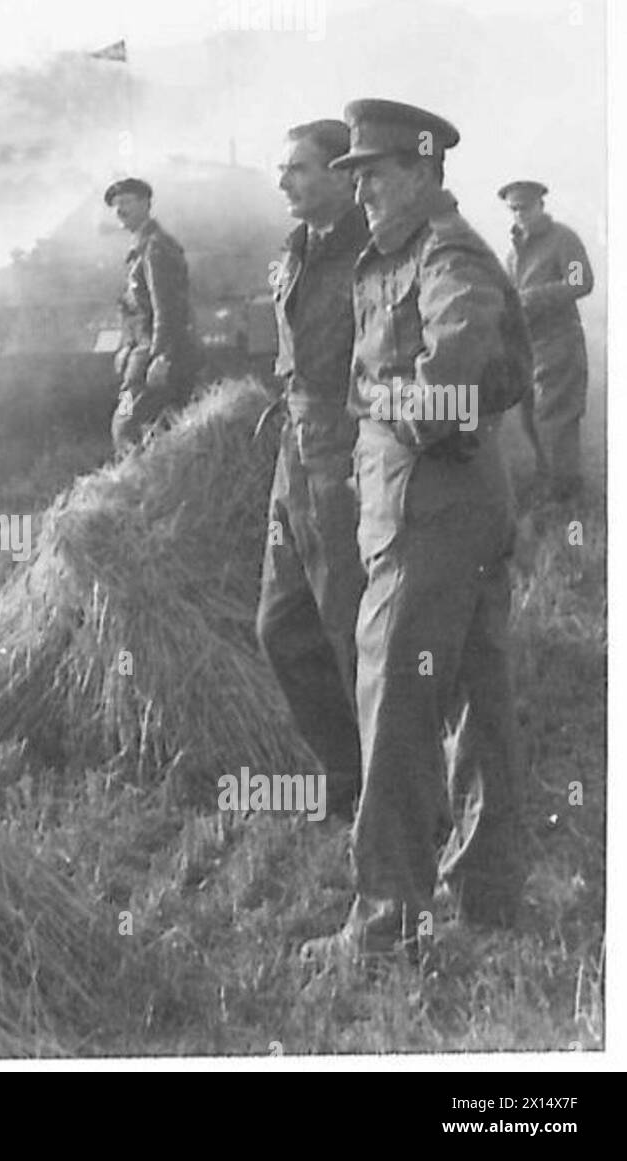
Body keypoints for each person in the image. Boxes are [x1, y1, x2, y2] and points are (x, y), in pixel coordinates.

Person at [301, 100, 534, 966]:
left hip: (432, 509)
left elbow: (455, 384)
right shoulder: (401, 252)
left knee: (397, 701)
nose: (360, 191)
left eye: (375, 174)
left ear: (425, 172)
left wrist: (381, 401)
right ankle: (487, 891)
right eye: (354, 177)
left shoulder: (446, 252)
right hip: (439, 503)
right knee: (476, 691)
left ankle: (387, 916)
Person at [256, 120, 370, 822]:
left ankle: (396, 789)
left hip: (346, 451)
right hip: (293, 454)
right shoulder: (296, 250)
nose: (284, 180)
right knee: (280, 626)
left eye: (299, 167)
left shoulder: (371, 251)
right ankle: (344, 769)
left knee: (354, 627)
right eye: (283, 166)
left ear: (341, 173)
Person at [501, 180, 594, 501]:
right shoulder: (513, 252)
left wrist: (532, 299)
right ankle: (549, 483)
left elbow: (582, 282)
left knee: (555, 419)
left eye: (525, 207)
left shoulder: (563, 239)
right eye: (513, 209)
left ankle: (566, 497)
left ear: (541, 205)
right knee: (529, 417)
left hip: (561, 342)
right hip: (529, 346)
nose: (520, 215)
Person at [105, 177, 195, 454]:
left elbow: (165, 307)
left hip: (152, 354)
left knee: (125, 424)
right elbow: (136, 310)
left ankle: (135, 484)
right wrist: (126, 346)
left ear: (145, 204)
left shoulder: (156, 248)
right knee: (144, 423)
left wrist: (161, 356)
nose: (120, 210)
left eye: (127, 202)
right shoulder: (141, 247)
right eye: (116, 205)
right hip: (140, 351)